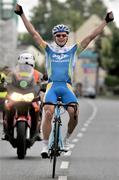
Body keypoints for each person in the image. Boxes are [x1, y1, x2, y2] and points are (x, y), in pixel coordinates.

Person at [14, 4, 114, 158]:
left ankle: (66, 139)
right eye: (58, 35)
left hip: (66, 87)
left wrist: (106, 21)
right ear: (54, 37)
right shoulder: (48, 49)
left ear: (67, 37)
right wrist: (21, 14)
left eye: (63, 35)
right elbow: (33, 33)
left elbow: (91, 36)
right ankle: (46, 146)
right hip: (52, 86)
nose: (61, 37)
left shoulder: (74, 50)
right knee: (48, 112)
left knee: (74, 113)